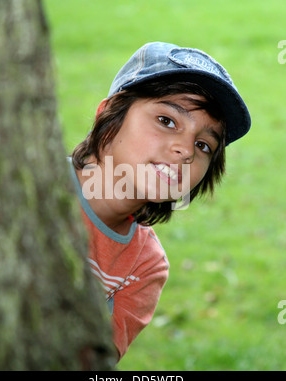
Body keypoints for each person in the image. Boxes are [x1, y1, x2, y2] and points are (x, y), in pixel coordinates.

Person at [67, 42, 251, 360]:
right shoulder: (27, 187)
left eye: (204, 144)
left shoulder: (146, 265)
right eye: (167, 121)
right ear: (107, 116)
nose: (185, 149)